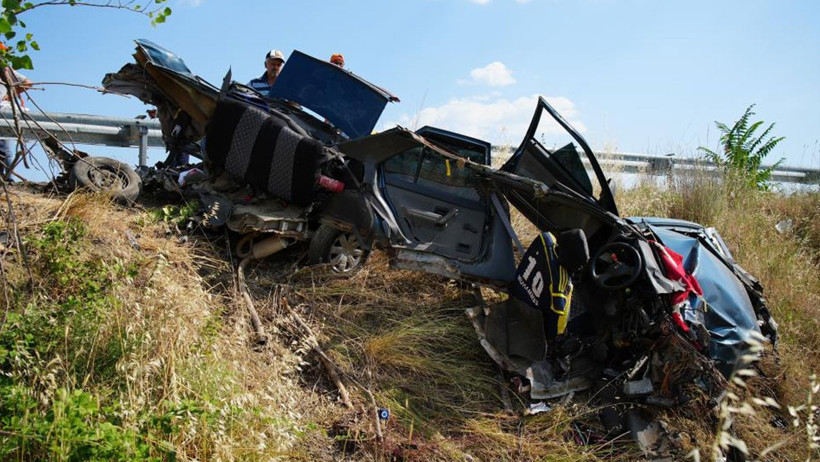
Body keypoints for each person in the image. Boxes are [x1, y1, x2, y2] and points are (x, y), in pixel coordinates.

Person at [0, 42, 32, 179]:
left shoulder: (5, 70)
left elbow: (27, 83)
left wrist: (10, 95)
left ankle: (8, 180)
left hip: (4, 113)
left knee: (4, 147)